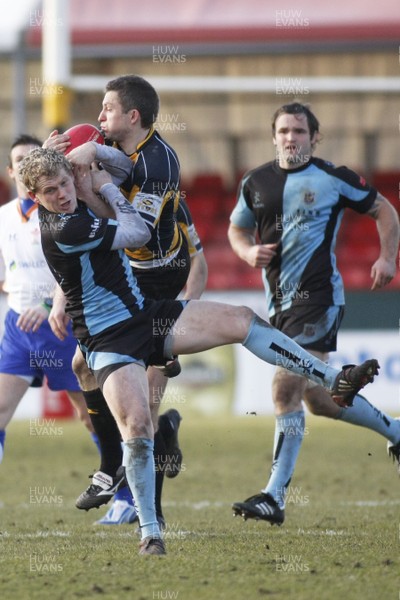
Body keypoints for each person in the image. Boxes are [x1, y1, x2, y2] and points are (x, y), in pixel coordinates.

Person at [19, 146, 378, 554]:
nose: (62, 194)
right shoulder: (62, 228)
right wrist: (103, 186)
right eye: (51, 190)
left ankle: (335, 378)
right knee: (137, 427)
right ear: (35, 196)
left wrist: (93, 150)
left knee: (242, 318)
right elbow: (138, 233)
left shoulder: (71, 198)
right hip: (109, 339)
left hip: (145, 315)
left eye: (65, 183)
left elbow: (128, 166)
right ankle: (150, 533)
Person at [44, 74, 208, 527]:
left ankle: (143, 511)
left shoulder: (158, 167)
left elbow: (167, 243)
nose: (99, 118)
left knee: (146, 408)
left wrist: (187, 308)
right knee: (83, 367)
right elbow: (83, 243)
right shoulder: (121, 159)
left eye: (107, 109)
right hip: (128, 283)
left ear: (132, 116)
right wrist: (64, 161)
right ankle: (114, 466)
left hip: (157, 287)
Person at [228, 101, 400, 525]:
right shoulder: (256, 182)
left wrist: (387, 259)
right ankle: (397, 431)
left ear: (314, 137)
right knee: (320, 400)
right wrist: (247, 250)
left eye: (299, 131)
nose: (291, 138)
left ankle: (273, 497)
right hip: (279, 307)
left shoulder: (332, 178)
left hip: (319, 299)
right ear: (273, 137)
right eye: (284, 131)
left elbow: (385, 210)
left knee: (285, 388)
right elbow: (236, 228)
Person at [0, 135, 94, 466]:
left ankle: (125, 492)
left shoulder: (61, 212)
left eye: (34, 157)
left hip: (60, 324)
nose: (28, 164)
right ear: (12, 172)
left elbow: (75, 269)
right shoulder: (3, 217)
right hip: (17, 328)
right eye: (21, 161)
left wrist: (45, 305)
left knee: (89, 414)